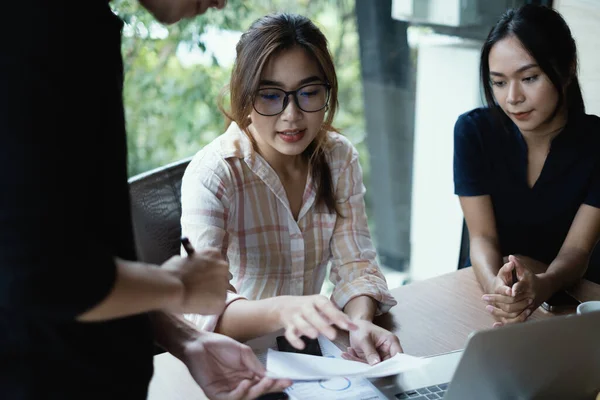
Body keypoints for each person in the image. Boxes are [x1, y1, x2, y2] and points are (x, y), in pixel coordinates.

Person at [0, 0, 290, 399]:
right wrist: (179, 285)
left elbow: (78, 253)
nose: (223, 1)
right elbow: (44, 276)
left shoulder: (75, 23)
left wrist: (187, 338)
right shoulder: (36, 30)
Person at [180, 12, 402, 366]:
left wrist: (360, 323)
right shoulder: (214, 173)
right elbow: (202, 307)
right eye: (270, 96)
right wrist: (288, 310)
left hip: (316, 354)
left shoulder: (338, 157)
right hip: (238, 359)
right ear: (244, 97)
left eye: (309, 92)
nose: (292, 114)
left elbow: (357, 265)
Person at [453, 4, 600, 328]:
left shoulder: (596, 144)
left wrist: (542, 285)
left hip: (567, 305)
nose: (513, 98)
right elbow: (481, 238)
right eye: (499, 82)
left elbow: (577, 251)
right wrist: (495, 288)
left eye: (529, 78)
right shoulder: (474, 132)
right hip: (486, 299)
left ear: (567, 68)